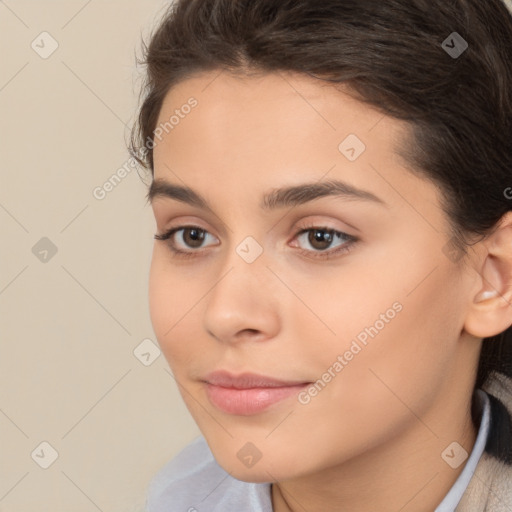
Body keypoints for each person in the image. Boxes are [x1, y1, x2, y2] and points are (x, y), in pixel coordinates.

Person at [128, 0, 512, 510]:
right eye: (191, 235)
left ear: (495, 276)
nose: (225, 314)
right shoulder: (179, 496)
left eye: (320, 238)